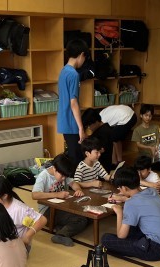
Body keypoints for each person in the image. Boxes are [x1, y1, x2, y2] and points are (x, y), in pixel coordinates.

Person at [101, 167, 160, 261]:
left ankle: (135, 247)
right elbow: (140, 202)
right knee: (132, 225)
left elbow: (121, 236)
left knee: (106, 239)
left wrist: (119, 212)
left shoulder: (131, 204)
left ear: (124, 188)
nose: (119, 190)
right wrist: (124, 198)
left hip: (155, 250)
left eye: (119, 188)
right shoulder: (152, 191)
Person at [31, 153, 88, 247]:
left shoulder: (62, 172)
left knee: (87, 214)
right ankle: (61, 235)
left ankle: (60, 227)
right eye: (62, 176)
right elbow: (34, 195)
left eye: (65, 176)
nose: (64, 178)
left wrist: (78, 190)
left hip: (62, 207)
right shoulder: (43, 176)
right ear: (54, 168)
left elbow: (73, 183)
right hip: (47, 211)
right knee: (81, 219)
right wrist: (57, 194)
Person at [0, 176, 46, 249]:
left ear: (4, 196)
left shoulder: (19, 209)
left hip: (16, 246)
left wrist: (27, 236)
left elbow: (42, 220)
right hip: (2, 241)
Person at [57, 38, 89, 170]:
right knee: (76, 158)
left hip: (64, 120)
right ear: (81, 55)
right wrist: (81, 128)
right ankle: (74, 181)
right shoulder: (74, 74)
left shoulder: (63, 71)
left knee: (72, 154)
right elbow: (73, 102)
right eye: (85, 57)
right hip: (71, 122)